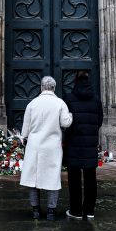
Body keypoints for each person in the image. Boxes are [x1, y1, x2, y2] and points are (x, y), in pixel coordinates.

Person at [19, 76, 73, 221]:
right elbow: (66, 123)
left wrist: (23, 138)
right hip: (52, 146)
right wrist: (71, 115)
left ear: (41, 87)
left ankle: (36, 210)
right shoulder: (59, 103)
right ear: (54, 88)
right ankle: (51, 211)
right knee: (52, 178)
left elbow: (25, 129)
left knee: (33, 179)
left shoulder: (32, 104)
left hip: (34, 145)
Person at [63, 71, 104, 220]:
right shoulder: (96, 99)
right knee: (90, 178)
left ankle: (75, 211)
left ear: (75, 82)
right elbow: (99, 120)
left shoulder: (69, 98)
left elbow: (65, 121)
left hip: (73, 143)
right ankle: (89, 210)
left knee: (74, 179)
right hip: (90, 143)